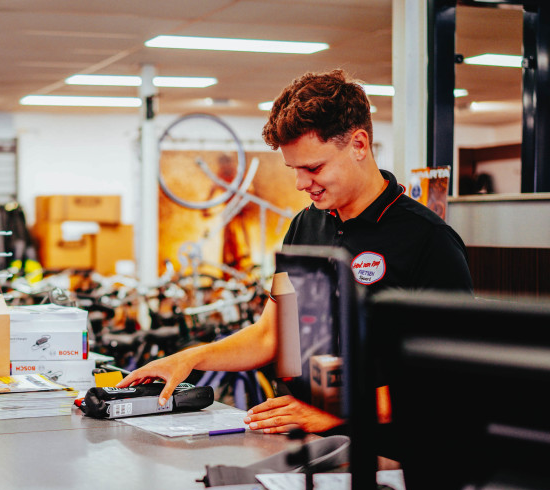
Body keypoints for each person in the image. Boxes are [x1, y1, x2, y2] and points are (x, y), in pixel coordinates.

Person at [117, 69, 473, 434]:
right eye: (294, 169)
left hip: (383, 451)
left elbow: (450, 379)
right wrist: (191, 357)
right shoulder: (305, 226)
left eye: (313, 167)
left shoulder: (429, 240)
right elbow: (270, 334)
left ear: (359, 145)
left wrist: (340, 412)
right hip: (303, 432)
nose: (302, 184)